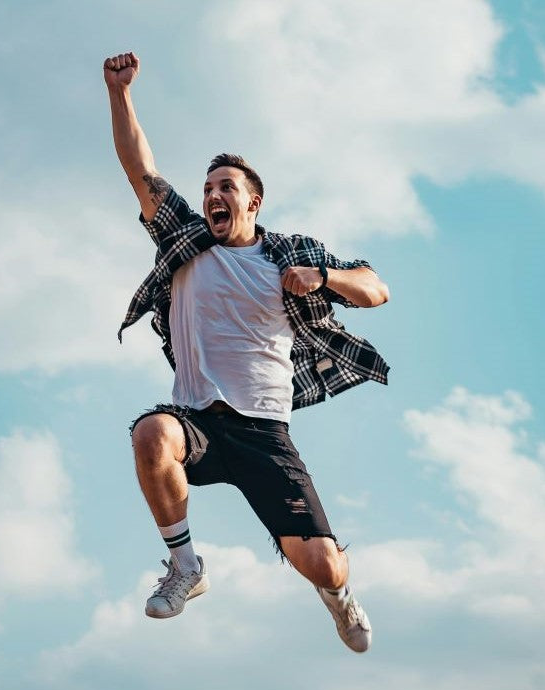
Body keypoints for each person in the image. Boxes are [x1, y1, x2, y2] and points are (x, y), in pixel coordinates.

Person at [104, 51, 390, 652]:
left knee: (324, 564)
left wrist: (323, 277)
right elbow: (140, 170)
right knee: (151, 434)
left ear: (252, 202)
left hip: (264, 433)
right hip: (197, 420)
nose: (212, 195)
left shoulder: (287, 253)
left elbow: (375, 288)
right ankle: (186, 567)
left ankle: (338, 596)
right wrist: (120, 92)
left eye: (225, 187)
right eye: (208, 187)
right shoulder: (184, 238)